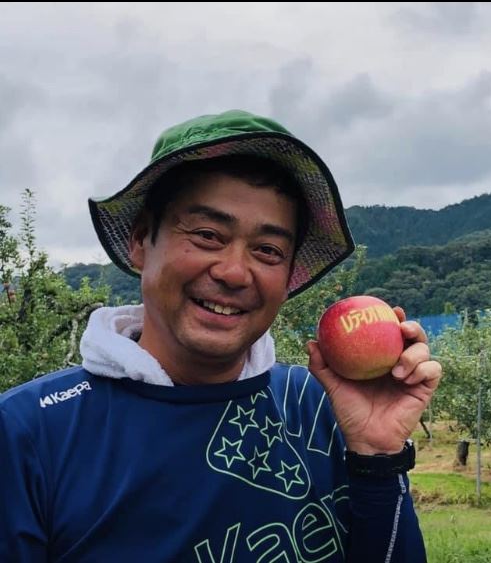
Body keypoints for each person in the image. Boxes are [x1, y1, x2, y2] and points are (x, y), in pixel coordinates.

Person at [0, 110, 442, 562]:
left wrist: (377, 456)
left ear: (288, 275)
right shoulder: (29, 433)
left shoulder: (320, 406)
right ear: (139, 242)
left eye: (268, 250)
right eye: (208, 234)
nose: (234, 272)